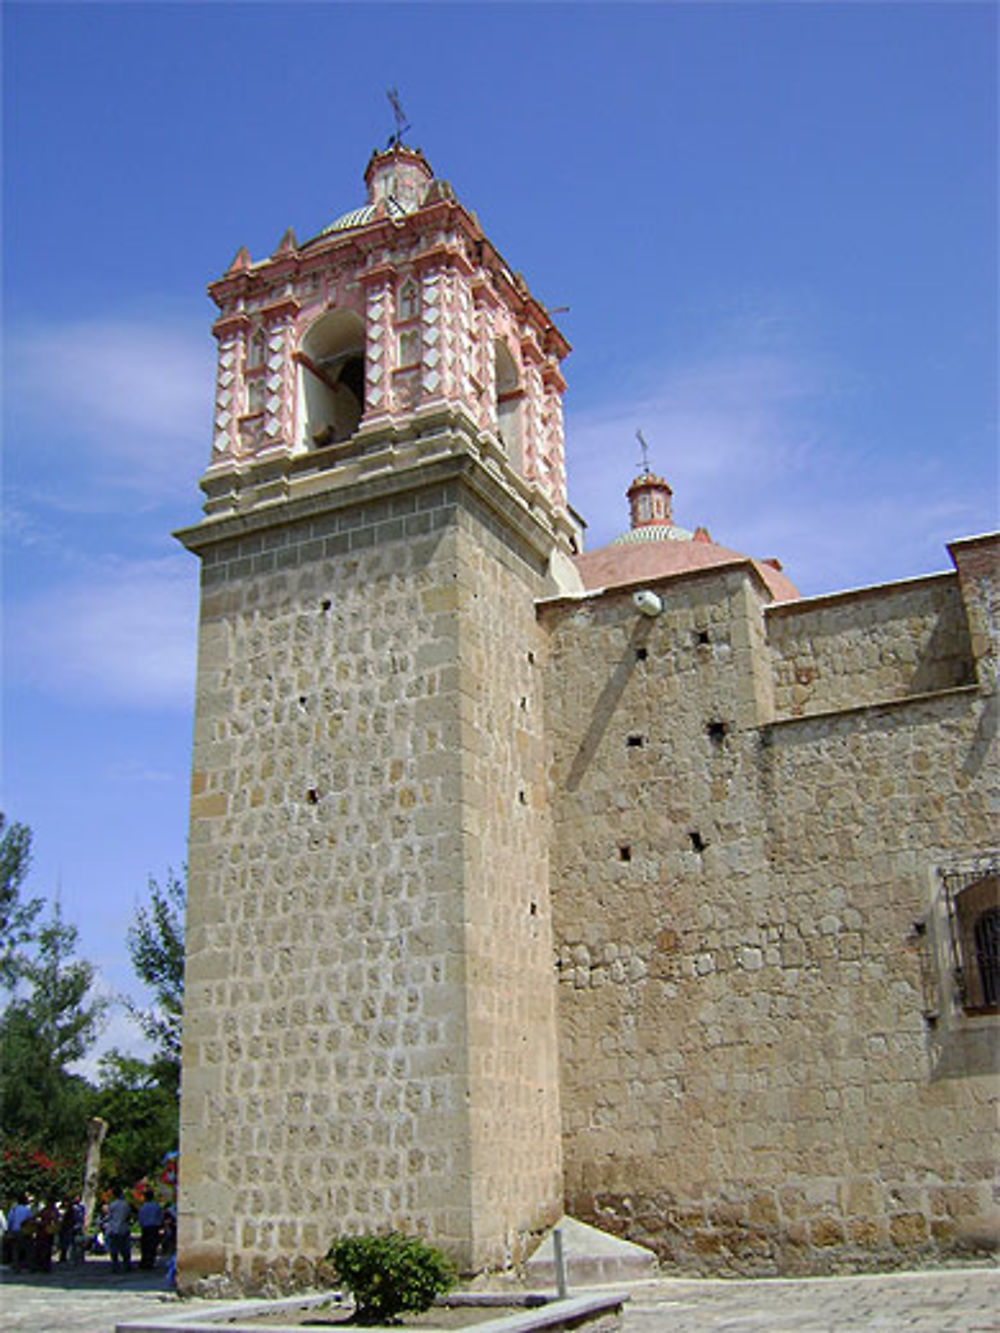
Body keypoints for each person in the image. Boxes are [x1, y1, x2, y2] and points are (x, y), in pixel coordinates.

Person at [105, 1186, 133, 1274]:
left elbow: (109, 1217)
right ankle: (126, 1265)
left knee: (114, 1249)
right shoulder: (126, 1205)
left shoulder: (112, 1205)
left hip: (113, 1228)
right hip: (124, 1228)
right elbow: (129, 1216)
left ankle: (115, 1265)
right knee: (125, 1248)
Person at [136, 1188, 163, 1269]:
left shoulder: (143, 1207)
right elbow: (160, 1217)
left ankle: (144, 1261)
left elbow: (140, 1218)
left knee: (145, 1246)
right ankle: (151, 1261)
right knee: (153, 1245)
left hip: (146, 1228)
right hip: (154, 1227)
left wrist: (141, 1224)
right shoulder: (156, 1206)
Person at [7, 1193, 34, 1272]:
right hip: (25, 1231)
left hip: (15, 1231)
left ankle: (16, 1266)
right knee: (28, 1249)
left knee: (16, 1249)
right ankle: (29, 1265)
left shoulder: (14, 1209)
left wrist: (9, 1230)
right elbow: (30, 1220)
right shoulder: (27, 1210)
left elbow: (10, 1221)